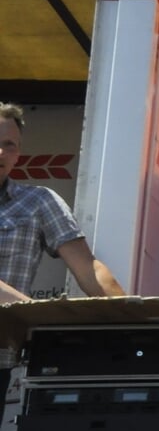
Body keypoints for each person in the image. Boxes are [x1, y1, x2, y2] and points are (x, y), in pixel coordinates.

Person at [0, 103, 124, 302]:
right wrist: (30, 309)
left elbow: (88, 269)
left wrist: (134, 316)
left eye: (9, 145)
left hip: (8, 331)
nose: (1, 152)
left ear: (18, 155)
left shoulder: (38, 201)